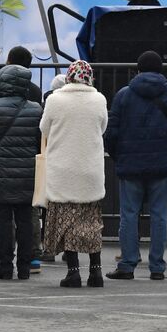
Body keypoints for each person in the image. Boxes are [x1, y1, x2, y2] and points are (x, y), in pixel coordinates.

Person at [104, 51, 167, 281]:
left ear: (137, 69)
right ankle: (157, 267)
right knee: (160, 215)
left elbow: (112, 131)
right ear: (161, 69)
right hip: (162, 163)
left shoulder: (124, 95)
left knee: (129, 214)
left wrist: (118, 156)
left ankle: (128, 264)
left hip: (130, 163)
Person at [39, 60, 108, 289]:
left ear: (69, 76)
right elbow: (103, 127)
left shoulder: (55, 99)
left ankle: (73, 272)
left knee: (67, 223)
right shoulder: (99, 99)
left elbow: (44, 129)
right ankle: (96, 272)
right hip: (91, 170)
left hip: (63, 170)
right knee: (91, 222)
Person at [0, 63, 44, 282]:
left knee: (3, 223)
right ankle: (25, 267)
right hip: (28, 175)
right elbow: (40, 143)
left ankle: (6, 266)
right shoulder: (36, 109)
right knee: (25, 222)